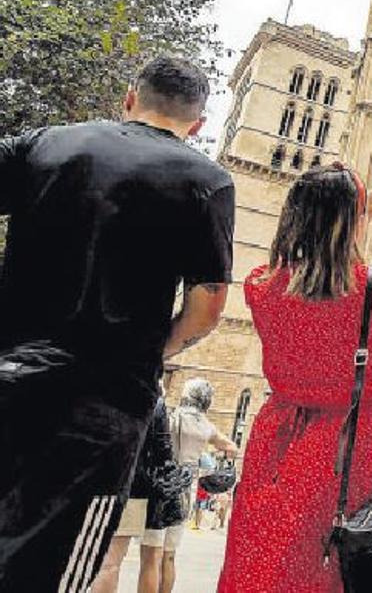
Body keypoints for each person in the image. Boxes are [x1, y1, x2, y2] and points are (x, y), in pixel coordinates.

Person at [0, 57, 233, 592]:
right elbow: (208, 308)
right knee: (65, 571)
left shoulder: (47, 143)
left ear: (130, 98)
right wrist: (153, 353)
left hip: (11, 376)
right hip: (108, 407)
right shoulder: (207, 180)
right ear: (197, 124)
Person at [216, 166, 372, 592]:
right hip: (352, 453)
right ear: (352, 223)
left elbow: (316, 269)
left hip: (277, 451)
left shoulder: (261, 286)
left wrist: (358, 215)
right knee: (348, 564)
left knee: (273, 561)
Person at [148, 378, 238, 592]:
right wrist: (213, 453)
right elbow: (232, 447)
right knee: (169, 556)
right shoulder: (206, 426)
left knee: (152, 554)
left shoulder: (172, 417)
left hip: (164, 485)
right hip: (186, 490)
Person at [92, 396, 179, 593]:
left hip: (93, 483)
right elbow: (163, 450)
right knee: (110, 563)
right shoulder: (152, 399)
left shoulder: (101, 386)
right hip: (130, 487)